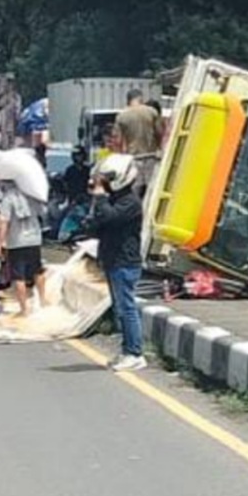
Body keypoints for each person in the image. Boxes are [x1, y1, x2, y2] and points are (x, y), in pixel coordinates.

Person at [83, 153, 146, 371]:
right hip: (112, 259)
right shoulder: (115, 200)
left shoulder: (130, 203)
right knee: (120, 309)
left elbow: (109, 217)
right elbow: (98, 224)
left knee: (127, 308)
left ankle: (135, 353)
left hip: (125, 262)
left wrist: (100, 197)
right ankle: (127, 350)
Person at [0, 178, 47, 316]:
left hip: (17, 241)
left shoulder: (8, 197)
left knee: (19, 276)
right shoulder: (33, 194)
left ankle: (24, 309)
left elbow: (4, 222)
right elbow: (43, 213)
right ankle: (43, 301)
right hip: (35, 239)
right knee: (38, 270)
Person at [115, 89, 161, 197]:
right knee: (153, 189)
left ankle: (137, 211)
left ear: (128, 100)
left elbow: (119, 141)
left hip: (134, 158)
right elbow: (159, 133)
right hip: (151, 156)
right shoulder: (152, 112)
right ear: (140, 98)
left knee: (135, 189)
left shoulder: (121, 116)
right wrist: (159, 148)